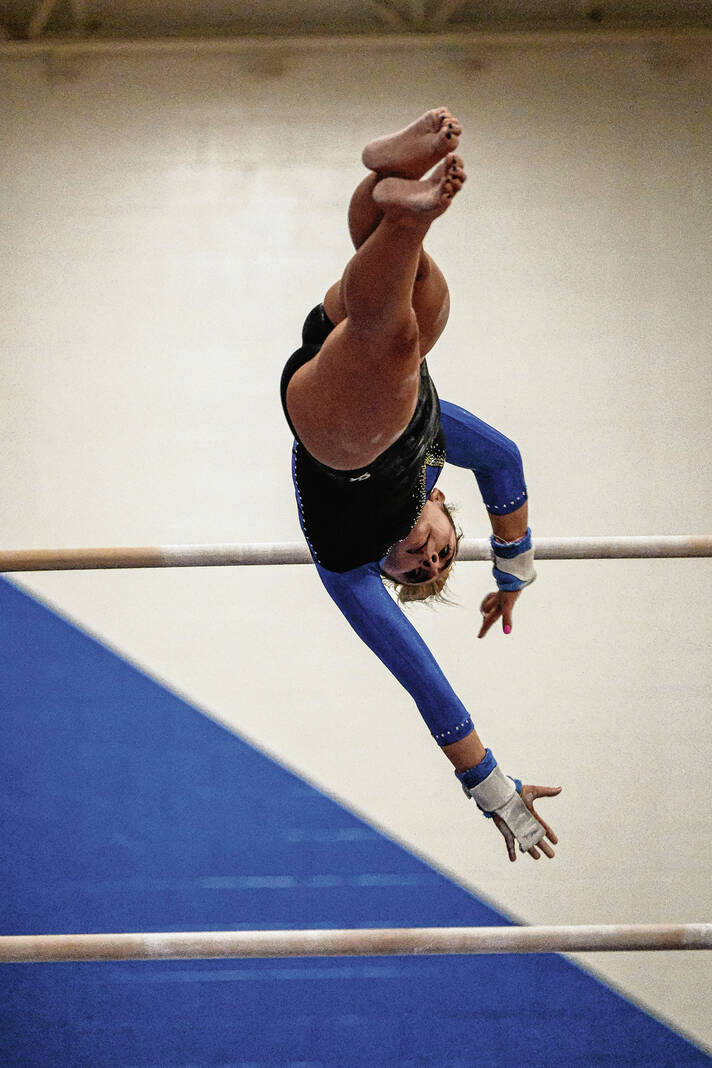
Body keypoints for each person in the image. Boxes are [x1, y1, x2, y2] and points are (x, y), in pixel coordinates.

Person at [281, 109, 561, 862]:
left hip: (337, 433)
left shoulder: (351, 569)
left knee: (400, 335)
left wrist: (492, 789)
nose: (428, 559)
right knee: (425, 306)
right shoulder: (437, 453)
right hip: (372, 370)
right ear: (442, 505)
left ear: (386, 571)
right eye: (444, 555)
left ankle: (408, 213)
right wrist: (513, 573)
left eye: (414, 572)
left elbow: (427, 683)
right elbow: (504, 459)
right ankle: (392, 186)